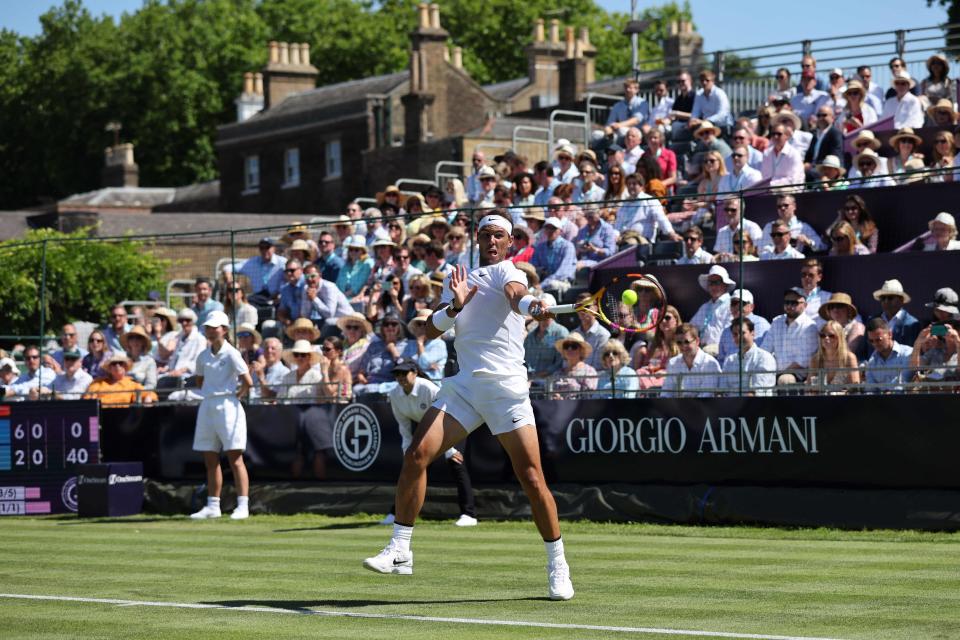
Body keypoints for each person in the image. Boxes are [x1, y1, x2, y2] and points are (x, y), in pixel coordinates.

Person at [362, 214, 575, 602]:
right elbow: (430, 329)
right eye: (485, 235)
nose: (491, 241)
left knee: (531, 478)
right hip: (464, 386)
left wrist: (533, 305)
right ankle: (400, 549)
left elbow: (516, 296)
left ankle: (557, 563)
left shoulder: (510, 272)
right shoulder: (458, 278)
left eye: (499, 235)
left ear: (510, 242)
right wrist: (455, 306)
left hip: (506, 390)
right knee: (416, 456)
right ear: (477, 239)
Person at [383, 357, 477, 528]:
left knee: (456, 463)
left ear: (414, 373)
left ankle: (468, 514)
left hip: (452, 422)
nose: (400, 377)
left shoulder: (428, 388)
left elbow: (446, 413)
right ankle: (396, 512)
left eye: (404, 372)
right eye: (397, 373)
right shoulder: (395, 395)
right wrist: (407, 452)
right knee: (412, 467)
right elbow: (404, 427)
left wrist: (449, 450)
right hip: (425, 426)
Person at [188, 310, 253, 520]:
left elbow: (248, 381)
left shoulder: (232, 353)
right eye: (207, 327)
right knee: (210, 458)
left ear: (224, 330)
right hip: (208, 405)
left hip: (228, 406)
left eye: (214, 327)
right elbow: (200, 381)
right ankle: (213, 506)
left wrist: (236, 396)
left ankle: (243, 505)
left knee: (235, 459)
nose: (210, 330)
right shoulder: (203, 356)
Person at [761, 288, 820, 386]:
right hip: (776, 373)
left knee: (785, 380)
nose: (789, 306)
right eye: (787, 302)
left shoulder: (810, 327)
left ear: (805, 305)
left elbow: (803, 361)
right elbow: (765, 350)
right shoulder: (777, 322)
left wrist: (778, 374)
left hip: (798, 375)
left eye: (794, 303)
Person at [910, 288, 960, 383]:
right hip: (934, 395)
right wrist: (919, 342)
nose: (940, 314)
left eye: (944, 311)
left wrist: (957, 342)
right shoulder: (935, 351)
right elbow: (913, 367)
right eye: (937, 310)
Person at [720, 317, 777, 396]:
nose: (739, 337)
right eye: (735, 334)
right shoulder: (729, 360)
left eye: (742, 333)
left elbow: (757, 392)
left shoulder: (764, 358)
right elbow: (722, 390)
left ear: (752, 333)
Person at [354, 313, 408, 395]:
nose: (390, 327)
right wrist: (361, 377)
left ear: (399, 327)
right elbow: (361, 372)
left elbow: (405, 369)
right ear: (382, 328)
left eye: (394, 324)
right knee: (356, 389)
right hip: (371, 384)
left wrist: (393, 350)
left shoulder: (406, 345)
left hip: (392, 383)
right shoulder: (373, 346)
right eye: (386, 324)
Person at [661, 323, 721, 397]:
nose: (683, 346)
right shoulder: (672, 363)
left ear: (697, 341)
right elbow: (666, 392)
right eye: (679, 343)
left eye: (687, 342)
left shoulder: (710, 364)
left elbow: (706, 396)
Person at [717, 289, 770, 363]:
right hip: (729, 371)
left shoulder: (761, 324)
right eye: (734, 303)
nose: (737, 307)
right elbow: (721, 359)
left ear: (751, 307)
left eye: (742, 303)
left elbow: (762, 353)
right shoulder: (726, 331)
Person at [807, 320, 861, 393]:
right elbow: (809, 388)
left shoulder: (849, 358)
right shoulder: (816, 359)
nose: (826, 338)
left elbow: (855, 388)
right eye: (822, 335)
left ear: (840, 337)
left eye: (831, 336)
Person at [83, 354, 157, 406]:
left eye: (121, 363)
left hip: (123, 421)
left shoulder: (132, 384)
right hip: (100, 418)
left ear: (125, 367)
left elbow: (150, 394)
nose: (117, 365)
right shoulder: (98, 383)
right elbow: (87, 402)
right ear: (109, 368)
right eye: (114, 363)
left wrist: (148, 398)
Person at [690, 265, 734, 351]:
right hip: (702, 351)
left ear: (725, 285)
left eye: (717, 282)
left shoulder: (732, 304)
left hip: (723, 351)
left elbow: (730, 333)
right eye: (711, 283)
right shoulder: (705, 306)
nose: (713, 286)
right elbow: (692, 327)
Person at [759, 195, 825, 252]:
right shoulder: (769, 226)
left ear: (794, 206)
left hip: (795, 262)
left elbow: (822, 246)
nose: (782, 208)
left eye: (786, 205)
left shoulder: (803, 227)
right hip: (774, 261)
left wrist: (809, 242)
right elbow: (761, 249)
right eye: (779, 206)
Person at [863, 317, 914, 392]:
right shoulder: (872, 361)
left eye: (878, 340)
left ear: (890, 334)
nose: (875, 344)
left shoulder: (907, 353)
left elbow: (903, 384)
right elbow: (870, 390)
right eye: (871, 341)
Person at [529, 217, 576, 296]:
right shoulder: (540, 247)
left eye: (553, 228)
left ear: (560, 231)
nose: (550, 231)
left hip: (562, 283)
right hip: (542, 283)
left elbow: (563, 273)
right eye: (547, 228)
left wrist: (542, 284)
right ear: (544, 230)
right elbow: (533, 266)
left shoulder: (568, 246)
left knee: (551, 285)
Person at [870, 279, 921, 347]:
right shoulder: (872, 320)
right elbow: (862, 352)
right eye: (883, 298)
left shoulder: (912, 324)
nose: (886, 301)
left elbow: (912, 352)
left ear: (901, 300)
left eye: (890, 298)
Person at [401, 309, 447, 382]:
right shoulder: (409, 344)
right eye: (419, 324)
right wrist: (429, 365)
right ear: (415, 327)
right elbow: (403, 364)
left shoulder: (439, 344)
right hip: (411, 381)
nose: (422, 327)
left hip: (432, 382)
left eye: (426, 323)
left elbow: (423, 364)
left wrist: (420, 344)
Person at [570, 292, 611, 370]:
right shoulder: (573, 334)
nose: (583, 310)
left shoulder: (603, 335)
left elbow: (598, 367)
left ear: (596, 308)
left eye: (587, 306)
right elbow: (567, 363)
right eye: (579, 307)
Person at [819, 292, 866, 358]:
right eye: (832, 307)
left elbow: (847, 354)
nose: (835, 310)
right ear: (828, 312)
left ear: (848, 310)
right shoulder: (825, 329)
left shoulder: (857, 327)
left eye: (839, 306)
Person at [550, 334, 598, 398]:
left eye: (574, 346)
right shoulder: (557, 373)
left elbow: (588, 396)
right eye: (566, 346)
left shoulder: (589, 371)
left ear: (581, 350)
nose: (569, 349)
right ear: (563, 351)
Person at [760, 123, 804, 189]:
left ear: (787, 136)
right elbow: (765, 176)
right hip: (771, 191)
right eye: (773, 134)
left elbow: (793, 180)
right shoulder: (767, 153)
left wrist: (772, 184)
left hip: (791, 191)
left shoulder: (794, 154)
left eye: (779, 134)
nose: (775, 137)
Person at [804, 106, 843, 173]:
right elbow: (809, 155)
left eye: (824, 115)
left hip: (827, 170)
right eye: (819, 115)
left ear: (832, 118)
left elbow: (834, 155)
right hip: (812, 169)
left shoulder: (835, 133)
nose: (821, 118)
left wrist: (812, 165)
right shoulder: (815, 134)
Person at [249, 337, 289, 401]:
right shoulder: (257, 370)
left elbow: (272, 397)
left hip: (270, 409)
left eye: (273, 348)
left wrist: (261, 378)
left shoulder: (285, 373)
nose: (269, 351)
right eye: (266, 348)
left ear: (280, 352)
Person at [336, 312, 372, 379]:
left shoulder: (366, 346)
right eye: (348, 327)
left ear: (362, 330)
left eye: (356, 327)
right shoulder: (339, 345)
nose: (352, 330)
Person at [121, 325, 157, 391]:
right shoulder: (122, 359)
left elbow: (151, 385)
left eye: (138, 338)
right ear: (128, 341)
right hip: (122, 394)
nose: (135, 340)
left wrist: (137, 391)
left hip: (141, 396)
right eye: (132, 338)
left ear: (143, 342)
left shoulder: (149, 361)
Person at [319, 337, 352, 402]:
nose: (324, 352)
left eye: (327, 349)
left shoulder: (342, 368)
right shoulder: (327, 366)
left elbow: (329, 393)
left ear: (338, 351)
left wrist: (324, 372)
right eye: (323, 349)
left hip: (340, 408)